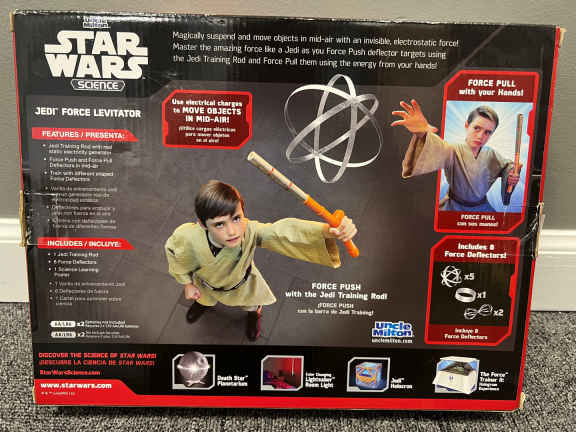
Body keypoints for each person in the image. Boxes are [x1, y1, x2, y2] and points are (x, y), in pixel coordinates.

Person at [165, 180, 357, 341]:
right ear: (202, 224)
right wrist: (187, 284)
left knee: (252, 305)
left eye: (237, 218)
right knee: (204, 299)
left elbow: (282, 232)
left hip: (242, 285)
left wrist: (327, 231)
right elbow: (176, 256)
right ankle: (203, 305)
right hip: (206, 286)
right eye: (220, 224)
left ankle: (253, 316)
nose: (232, 231)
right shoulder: (187, 237)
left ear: (243, 211)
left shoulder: (251, 231)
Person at [391, 100, 522, 212]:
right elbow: (436, 147)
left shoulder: (491, 154)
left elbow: (507, 167)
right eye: (477, 128)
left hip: (482, 208)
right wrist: (421, 132)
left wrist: (511, 174)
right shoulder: (453, 149)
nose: (480, 136)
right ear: (467, 125)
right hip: (453, 207)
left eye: (487, 132)